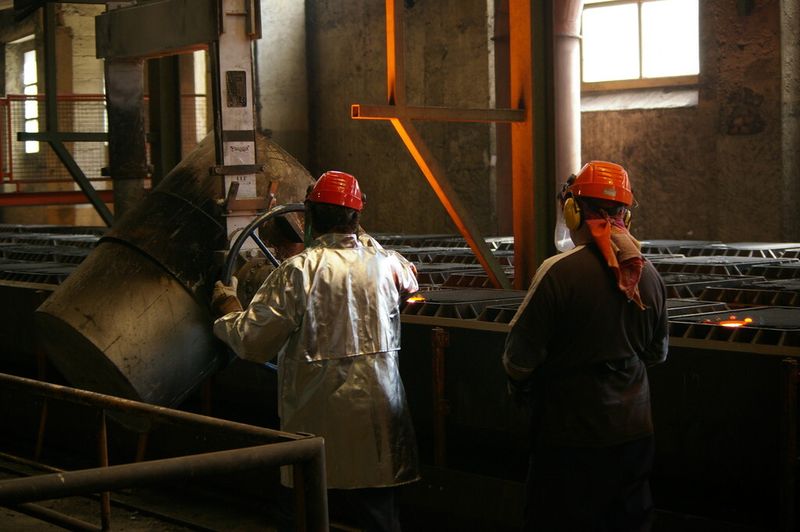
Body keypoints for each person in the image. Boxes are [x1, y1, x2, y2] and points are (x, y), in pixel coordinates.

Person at [211, 170, 420, 532]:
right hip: (376, 418)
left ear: (309, 216)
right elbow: (411, 284)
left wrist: (228, 305)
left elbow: (251, 341)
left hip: (315, 419)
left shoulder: (297, 273)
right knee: (378, 517)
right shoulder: (388, 264)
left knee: (303, 513)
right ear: (358, 216)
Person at [502, 160, 669, 532]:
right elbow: (657, 354)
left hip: (571, 436)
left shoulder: (558, 272)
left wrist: (520, 390)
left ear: (573, 211)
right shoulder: (650, 276)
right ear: (626, 213)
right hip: (634, 432)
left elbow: (518, 358)